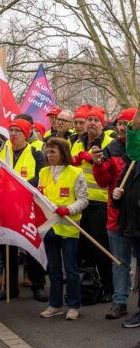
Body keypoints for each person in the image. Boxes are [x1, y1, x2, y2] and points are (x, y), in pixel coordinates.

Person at [0, 119, 48, 302]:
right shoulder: (2, 151)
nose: (14, 134)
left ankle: (37, 285)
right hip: (8, 206)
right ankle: (10, 287)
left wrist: (18, 188)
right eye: (12, 130)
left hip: (29, 206)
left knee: (32, 245)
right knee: (7, 247)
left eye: (18, 131)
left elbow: (41, 176)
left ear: (26, 134)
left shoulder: (35, 152)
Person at [94, 106, 139, 322]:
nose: (122, 127)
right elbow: (103, 181)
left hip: (136, 217)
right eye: (120, 123)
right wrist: (99, 165)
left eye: (127, 124)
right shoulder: (111, 148)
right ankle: (120, 301)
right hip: (116, 214)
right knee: (119, 261)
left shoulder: (136, 149)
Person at [39, 138, 89, 320]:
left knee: (71, 268)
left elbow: (83, 199)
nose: (49, 155)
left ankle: (74, 306)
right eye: (48, 151)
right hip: (49, 228)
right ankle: (55, 304)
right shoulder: (43, 172)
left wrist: (68, 209)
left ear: (63, 153)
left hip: (69, 228)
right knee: (53, 268)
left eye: (53, 151)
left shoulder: (76, 172)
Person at [71, 106, 116, 303]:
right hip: (80, 202)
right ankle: (88, 285)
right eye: (89, 119)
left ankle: (109, 288)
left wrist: (92, 159)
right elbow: (70, 164)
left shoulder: (109, 142)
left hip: (99, 202)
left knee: (101, 248)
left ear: (102, 124)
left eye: (95, 120)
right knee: (83, 248)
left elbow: (111, 167)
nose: (91, 123)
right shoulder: (78, 142)